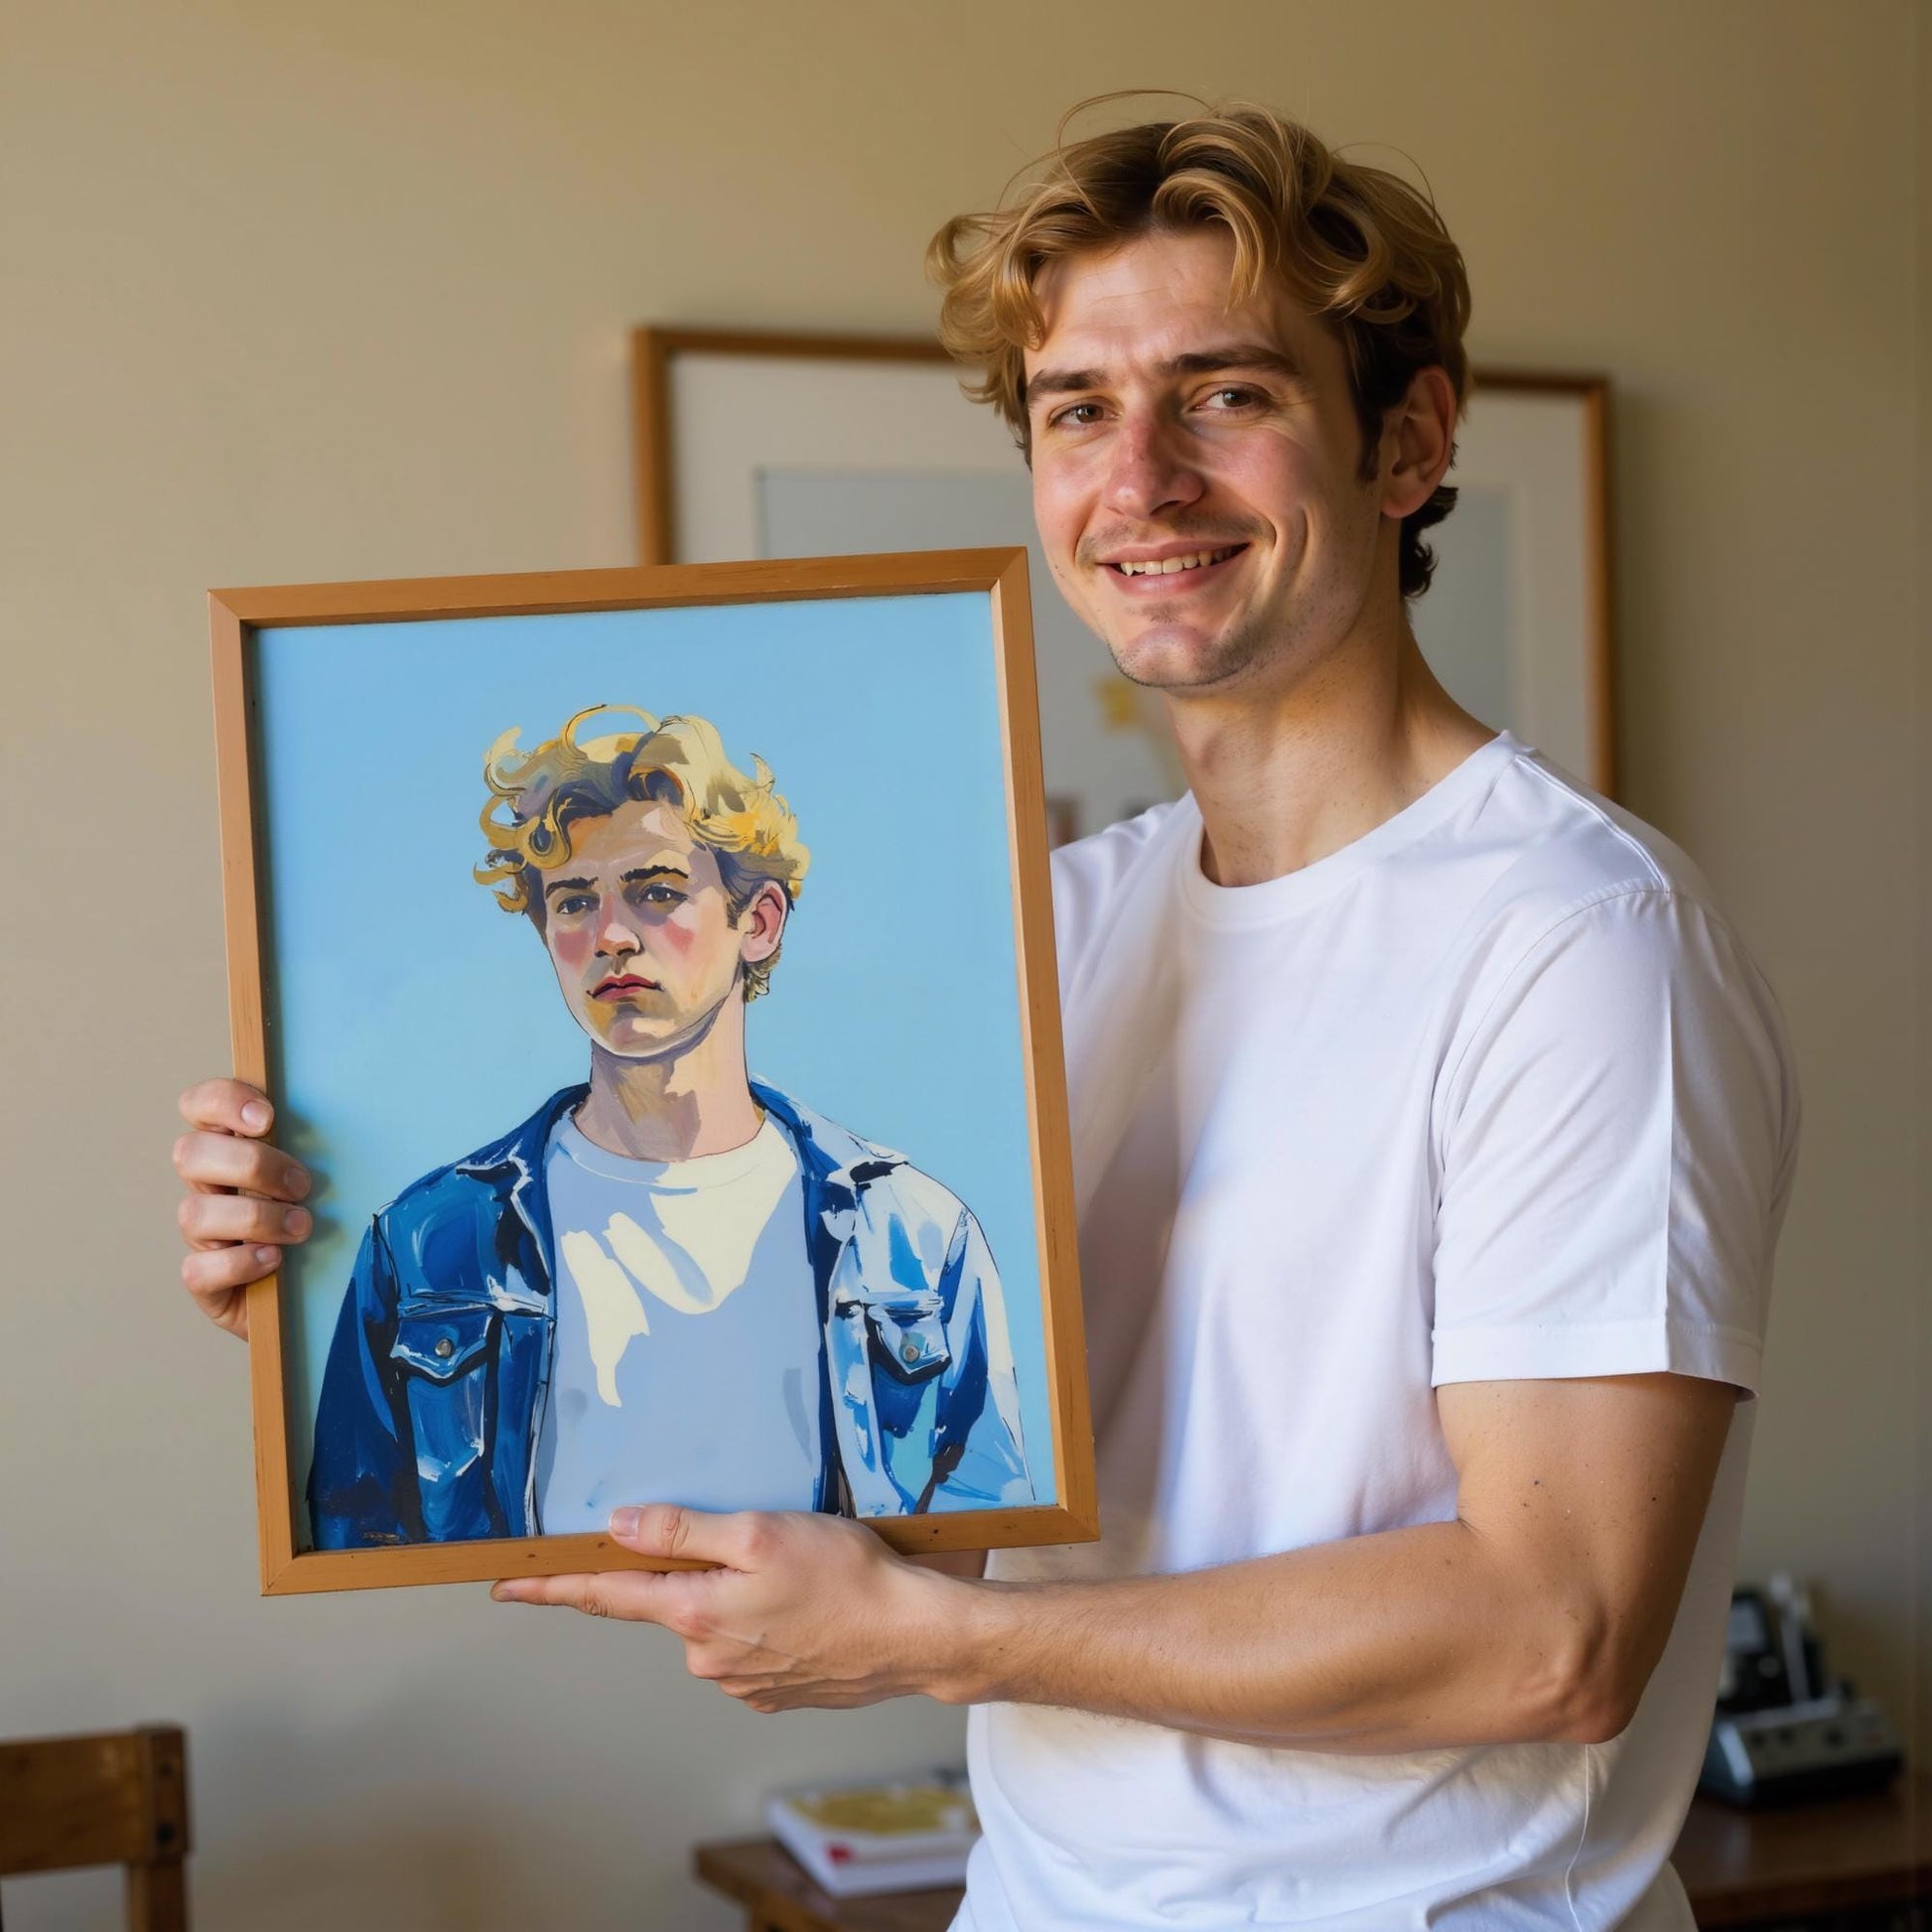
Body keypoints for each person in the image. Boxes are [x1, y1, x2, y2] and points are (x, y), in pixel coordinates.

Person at [176, 104, 1798, 1930]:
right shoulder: (1063, 929)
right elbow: (789, 1411)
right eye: (1078, 410)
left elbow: (1548, 1632)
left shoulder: (1575, 938)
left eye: (1228, 393)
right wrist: (325, 1253)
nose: (1144, 480)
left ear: (1407, 443)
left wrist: (935, 1639)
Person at [292, 704, 1031, 1549]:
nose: (610, 936)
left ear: (757, 923)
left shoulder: (914, 1232)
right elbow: (353, 1545)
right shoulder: (429, 1240)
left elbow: (984, 1542)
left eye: (656, 893)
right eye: (573, 903)